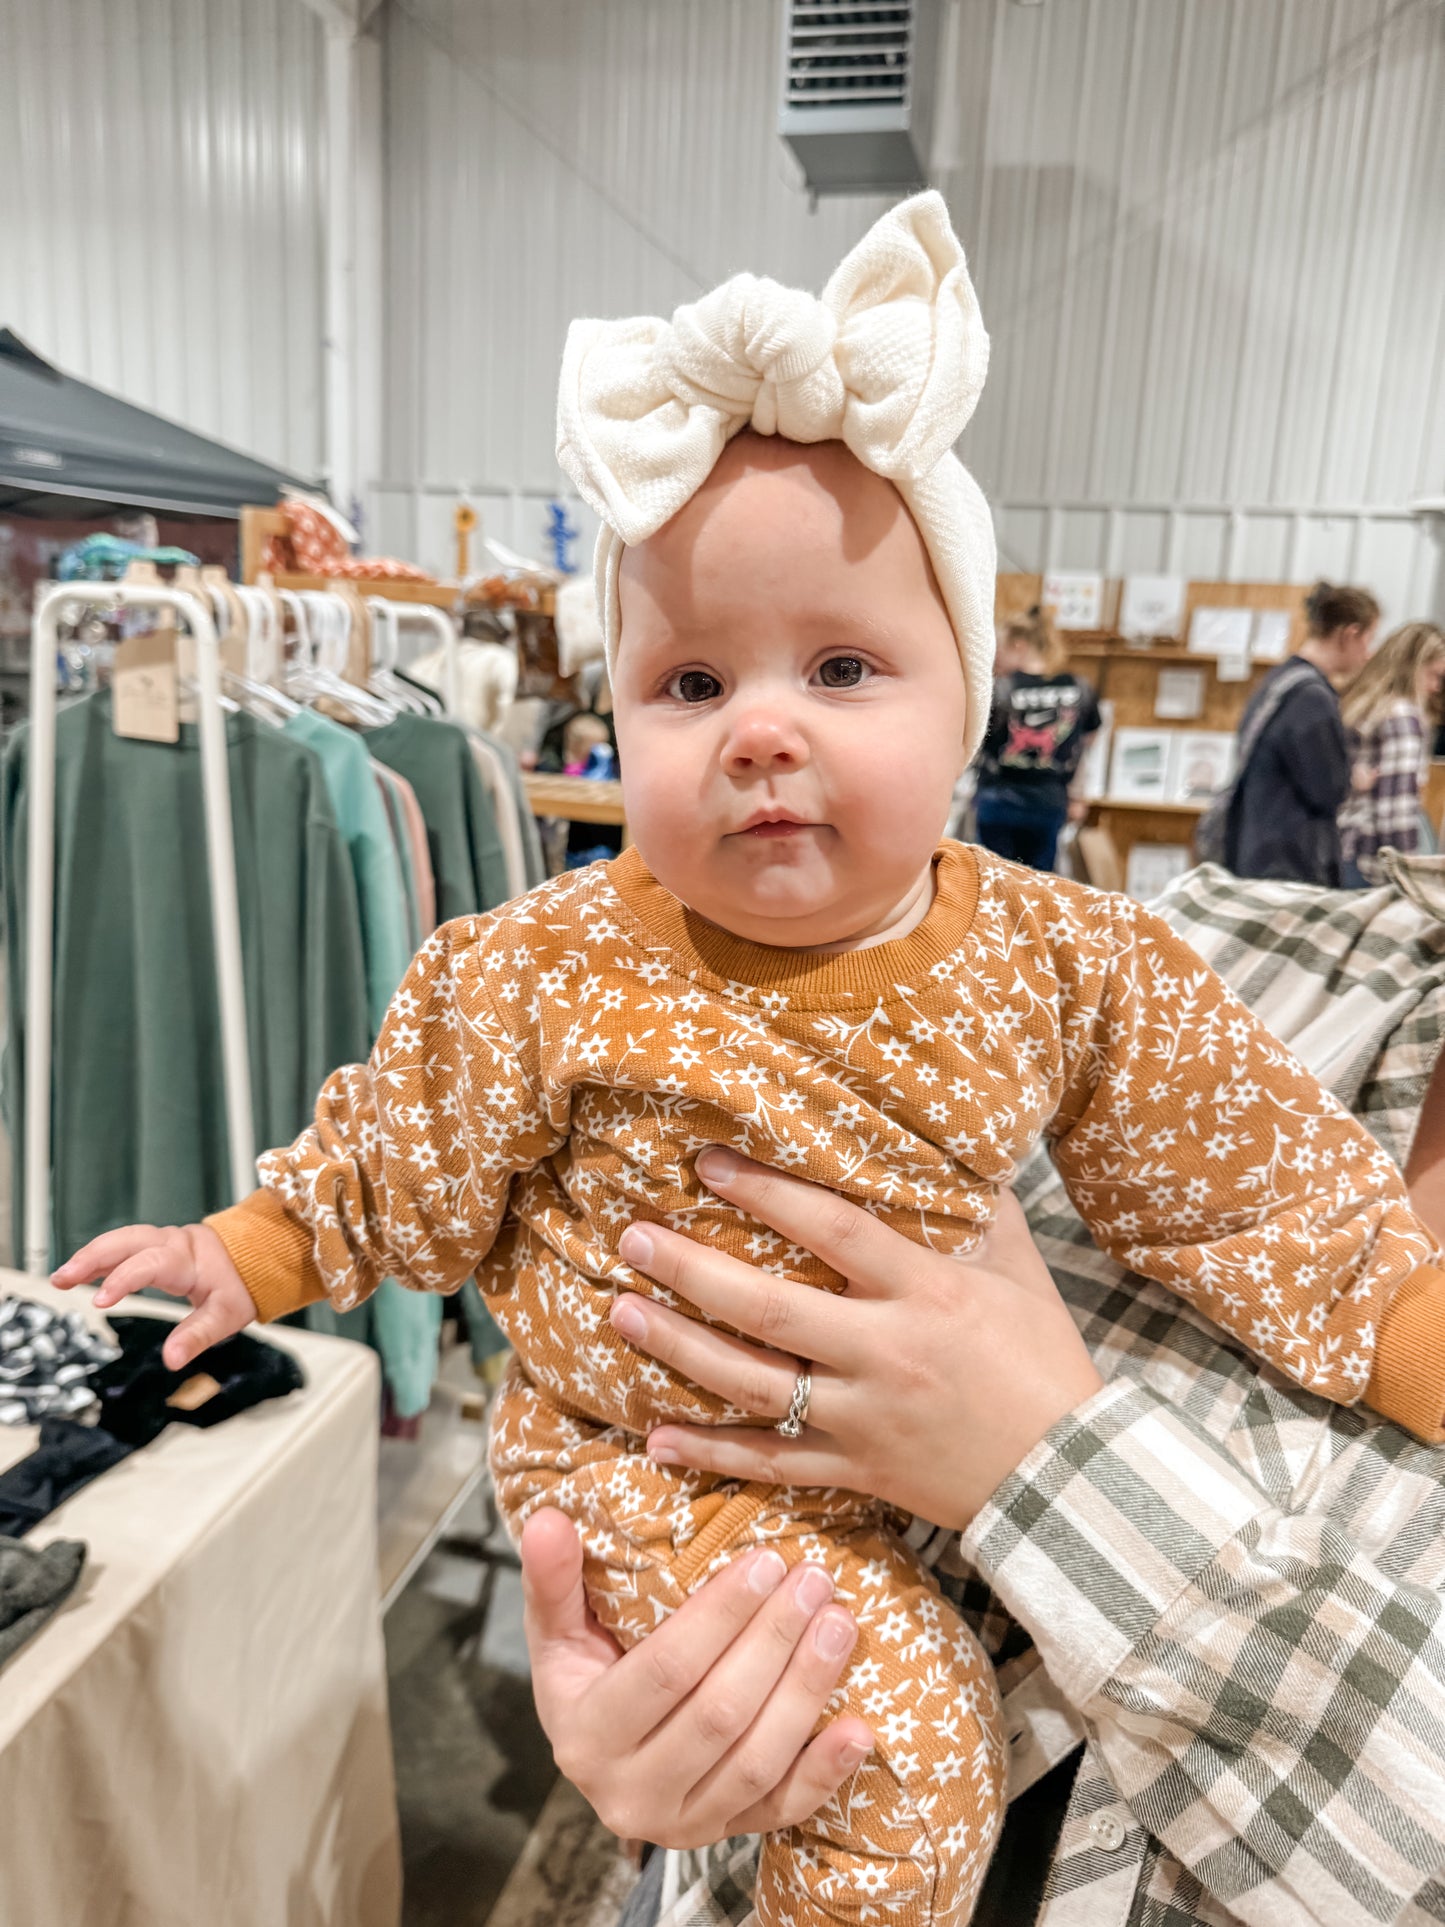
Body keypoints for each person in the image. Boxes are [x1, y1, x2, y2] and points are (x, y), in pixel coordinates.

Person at [52, 199, 1445, 1927]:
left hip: (940, 1503)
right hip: (648, 1456)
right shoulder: (549, 959)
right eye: (690, 680)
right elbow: (398, 1148)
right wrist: (242, 1249)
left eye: (845, 666)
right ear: (614, 721)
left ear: (974, 698)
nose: (763, 728)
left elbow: (1245, 1173)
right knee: (902, 1740)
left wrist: (1401, 1333)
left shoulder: (1067, 955)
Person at [521, 851, 1445, 1927]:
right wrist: (628, 1622)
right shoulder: (1184, 934)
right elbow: (636, 1289)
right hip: (740, 1871)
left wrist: (1051, 1463)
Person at [1225, 580, 1379, 884]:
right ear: (1350, 634)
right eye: (1369, 640)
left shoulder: (1280, 681)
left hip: (1256, 849)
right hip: (1288, 864)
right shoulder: (1312, 697)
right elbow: (1327, 789)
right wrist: (1353, 779)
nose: (1367, 654)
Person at [973, 606, 1100, 870]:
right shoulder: (1078, 688)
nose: (997, 656)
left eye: (1002, 646)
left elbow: (974, 742)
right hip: (1049, 800)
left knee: (992, 884)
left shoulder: (1000, 689)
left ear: (1019, 644)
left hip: (999, 800)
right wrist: (1078, 796)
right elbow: (1086, 746)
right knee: (1039, 885)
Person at [1338, 621, 1445, 884]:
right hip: (1370, 859)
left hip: (1343, 845)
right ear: (1413, 669)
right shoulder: (1402, 719)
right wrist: (1410, 876)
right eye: (1434, 676)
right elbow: (1395, 807)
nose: (1436, 687)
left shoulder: (1362, 707)